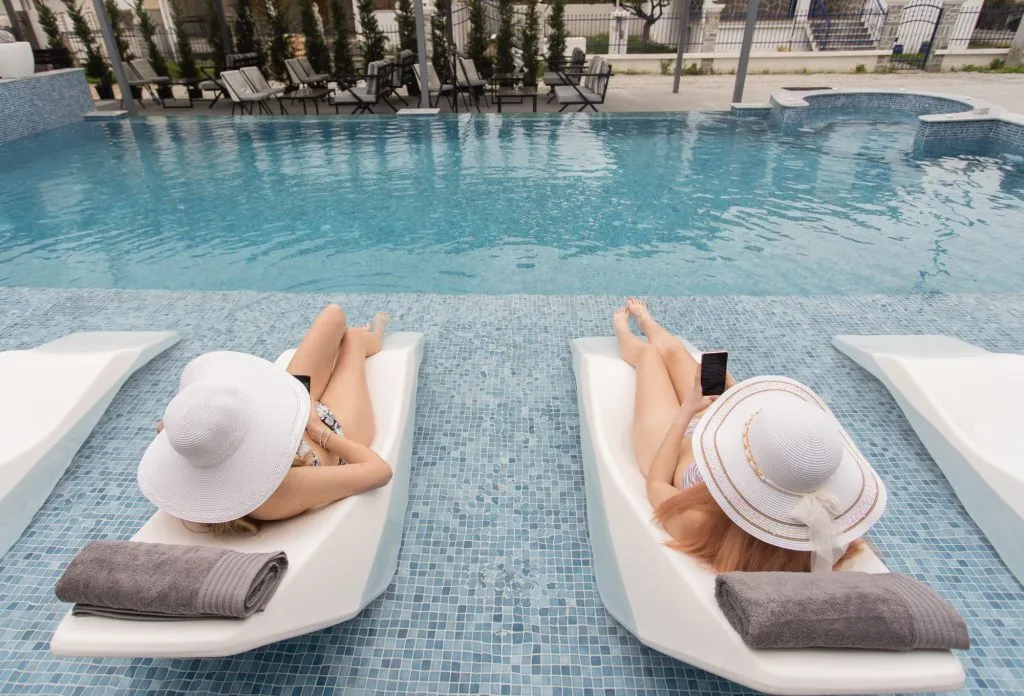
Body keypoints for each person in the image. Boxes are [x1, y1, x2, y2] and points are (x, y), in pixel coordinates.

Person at [613, 298, 887, 573]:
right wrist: (732, 397)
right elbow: (774, 446)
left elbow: (657, 484)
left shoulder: (704, 524)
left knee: (649, 356)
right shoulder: (822, 520)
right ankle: (647, 322)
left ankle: (625, 332)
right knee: (678, 353)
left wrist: (686, 412)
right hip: (716, 427)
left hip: (670, 450)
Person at [138, 304, 393, 534]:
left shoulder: (195, 440)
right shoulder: (277, 491)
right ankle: (374, 336)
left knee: (333, 315)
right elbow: (378, 471)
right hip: (332, 426)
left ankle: (344, 351)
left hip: (290, 411)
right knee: (352, 341)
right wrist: (318, 429)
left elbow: (170, 426)